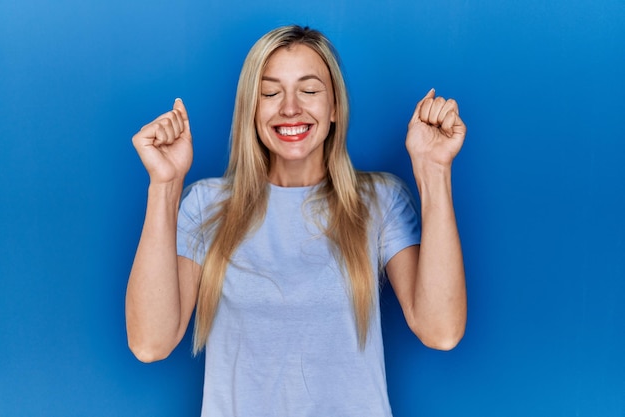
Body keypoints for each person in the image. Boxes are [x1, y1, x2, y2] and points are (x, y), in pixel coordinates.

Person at [126, 25, 467, 416]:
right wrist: (165, 185)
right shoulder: (208, 204)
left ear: (335, 106)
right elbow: (150, 343)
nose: (290, 108)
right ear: (251, 109)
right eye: (270, 93)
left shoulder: (379, 201)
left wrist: (434, 169)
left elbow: (441, 330)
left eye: (309, 91)